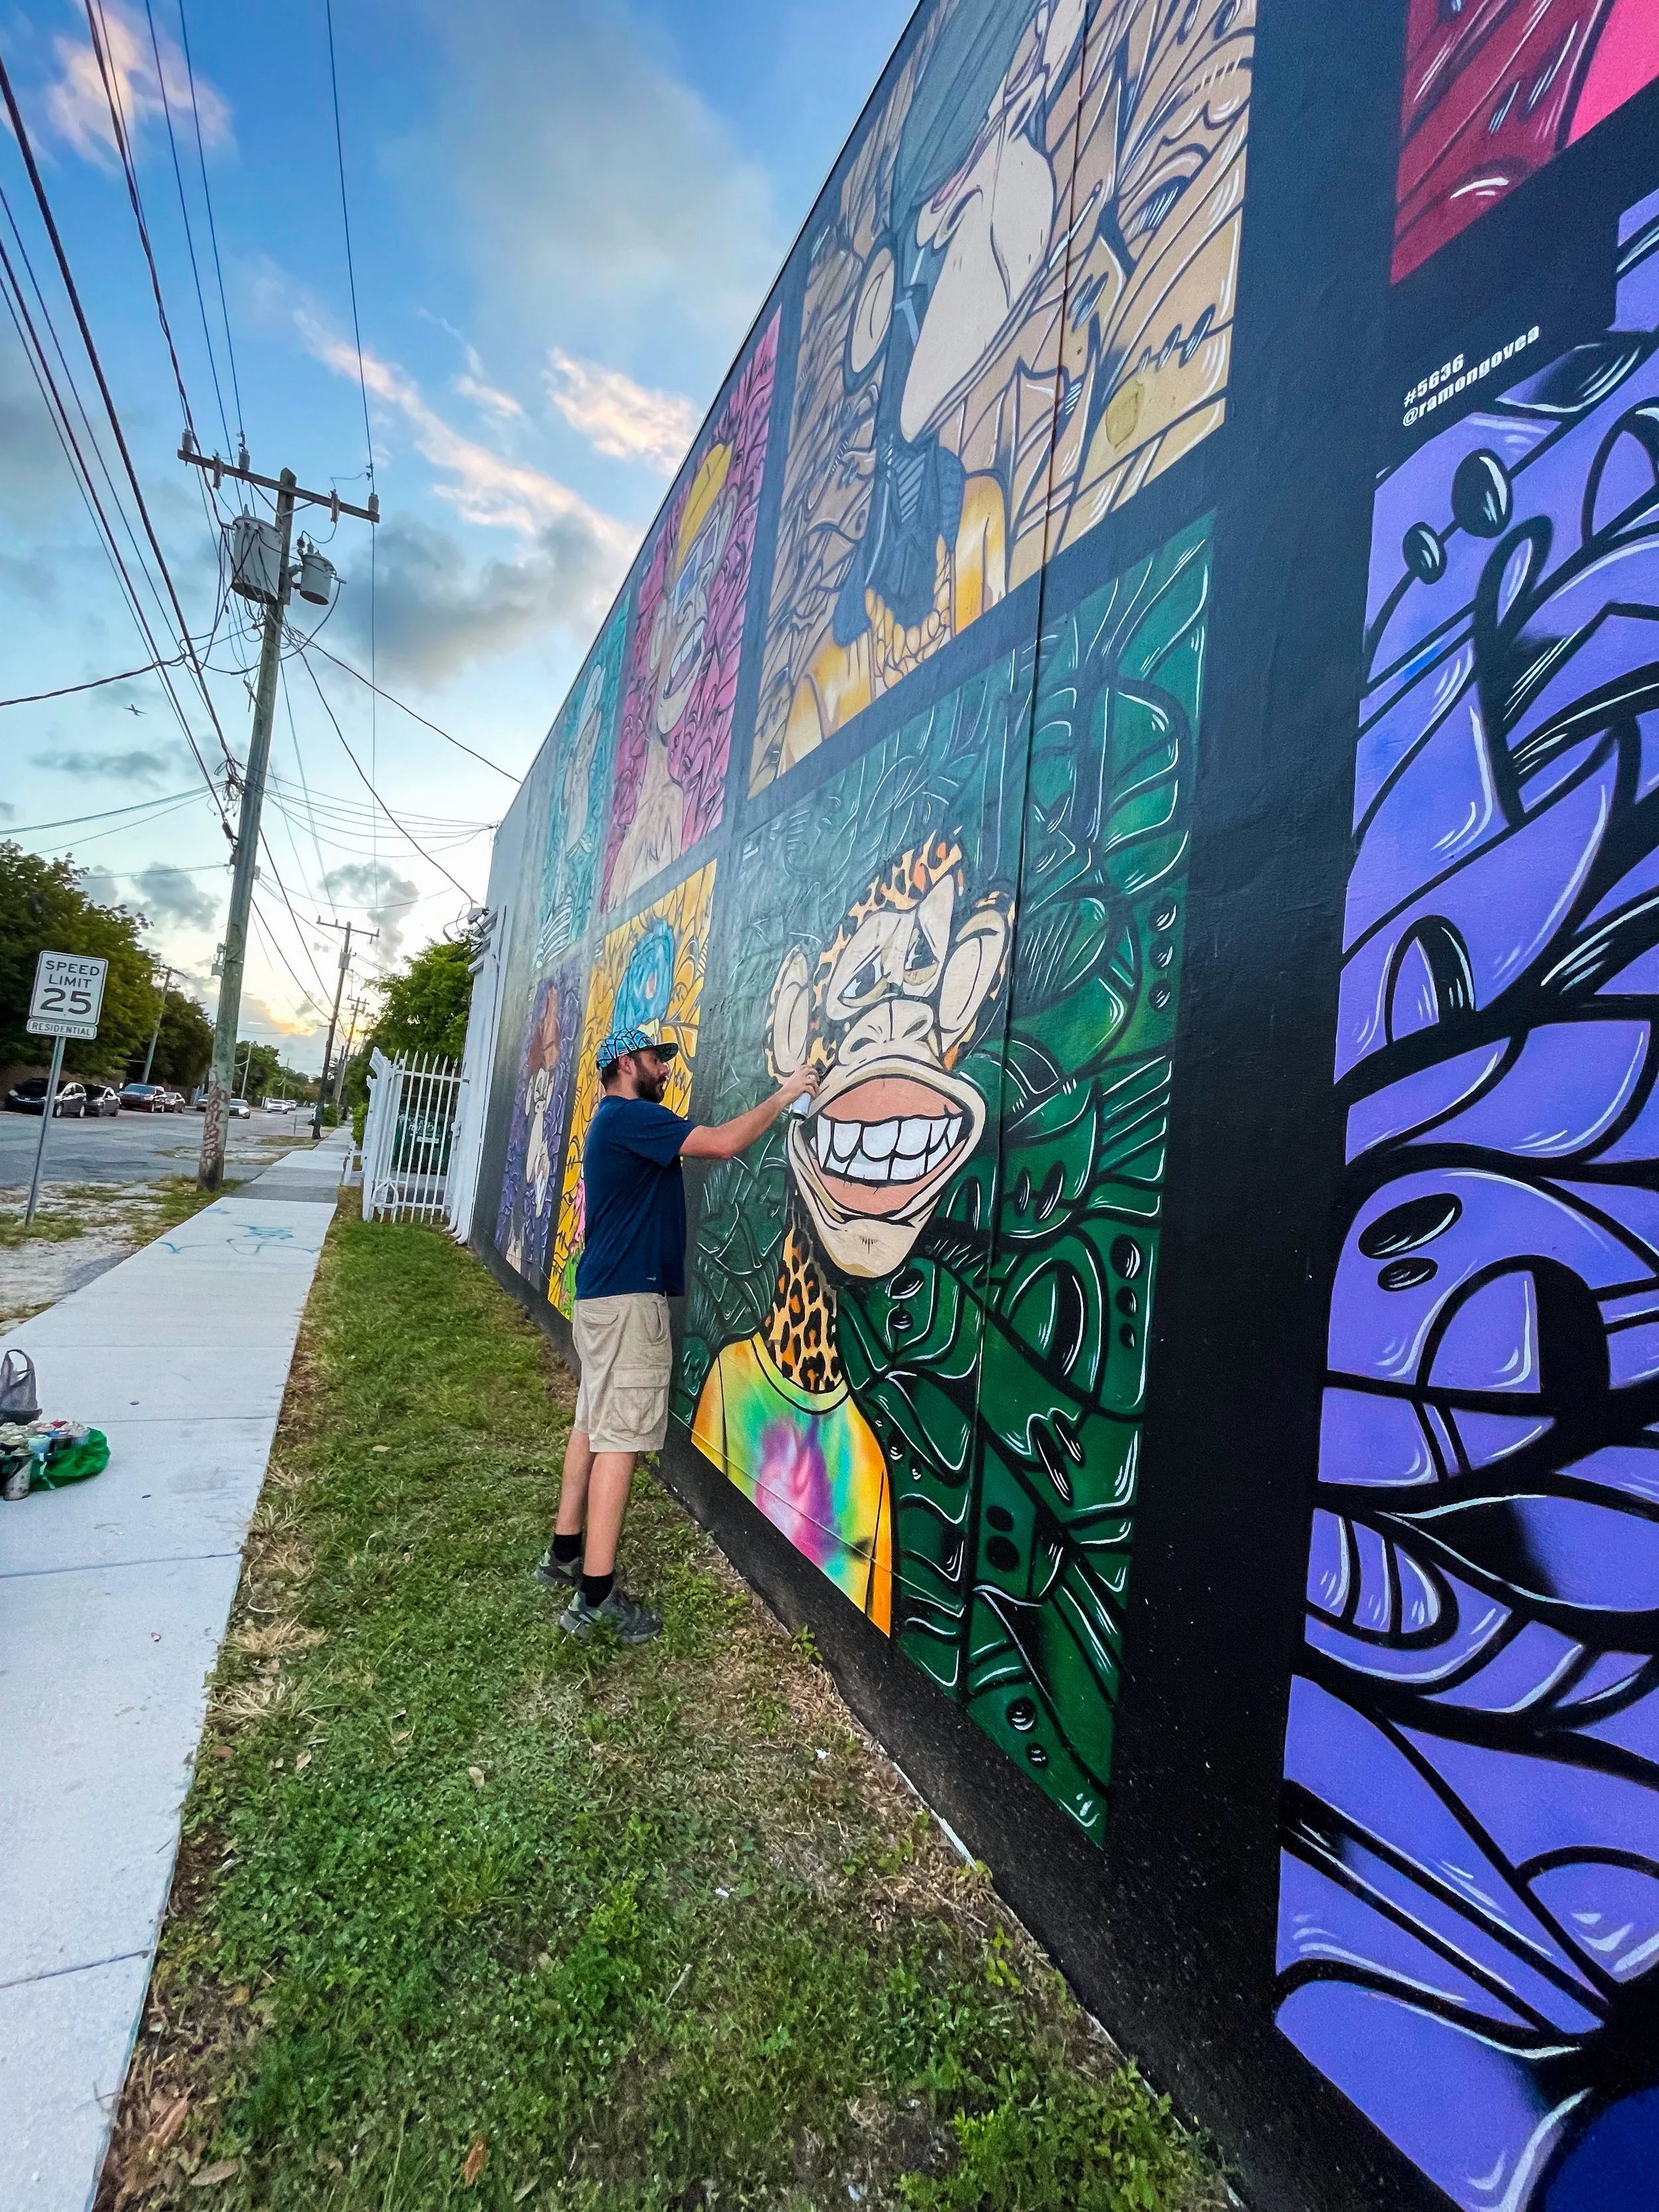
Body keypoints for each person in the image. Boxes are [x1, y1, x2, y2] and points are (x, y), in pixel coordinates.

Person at [534, 1023, 819, 1641]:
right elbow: (719, 1143)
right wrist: (785, 1094)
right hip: (629, 1304)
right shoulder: (631, 1117)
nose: (665, 1068)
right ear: (626, 1064)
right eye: (656, 1059)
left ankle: (562, 1554)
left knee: (592, 1421)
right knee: (621, 1440)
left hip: (603, 1298)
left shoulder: (611, 1123)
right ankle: (595, 1597)